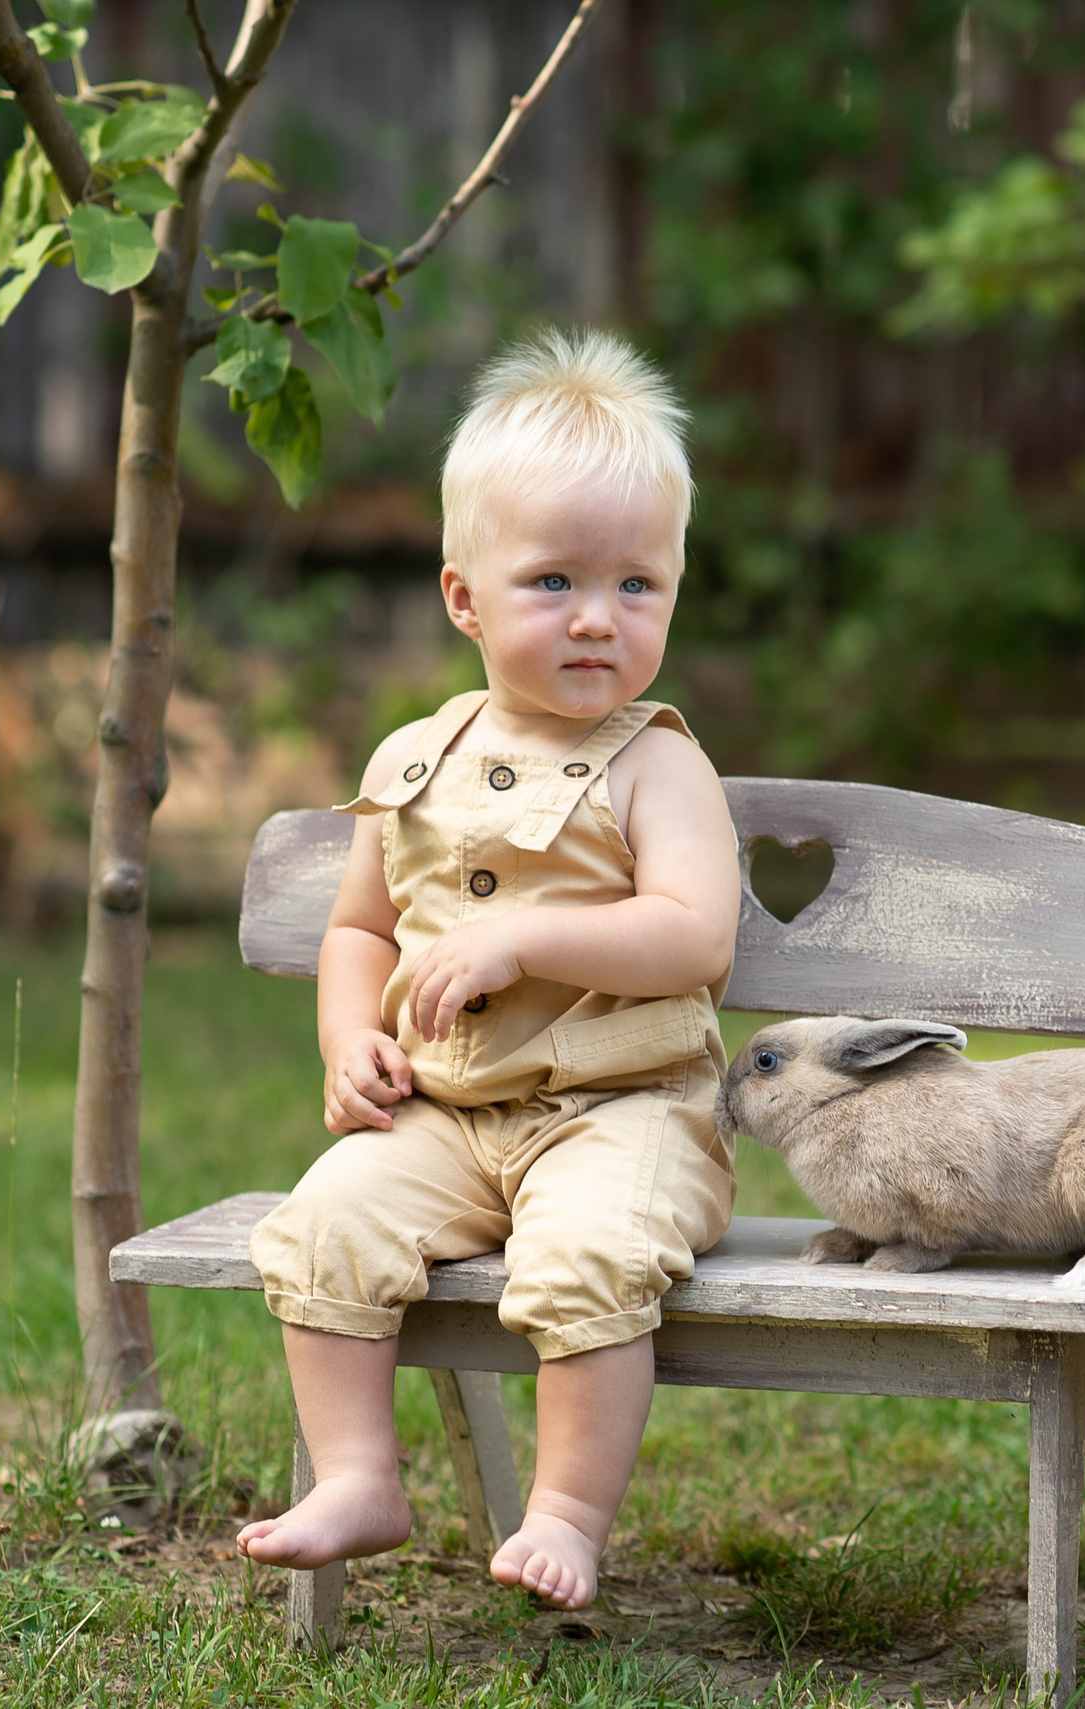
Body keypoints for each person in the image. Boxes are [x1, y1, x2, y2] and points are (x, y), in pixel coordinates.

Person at [234, 329, 739, 1612]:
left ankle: (567, 1510)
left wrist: (527, 937)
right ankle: (358, 1475)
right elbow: (358, 929)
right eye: (555, 580)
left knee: (584, 1256)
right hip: (450, 1114)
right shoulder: (416, 753)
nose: (597, 617)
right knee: (324, 1222)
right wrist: (349, 1040)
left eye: (638, 586)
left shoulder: (656, 760)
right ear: (464, 598)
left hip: (625, 1112)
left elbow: (696, 935)